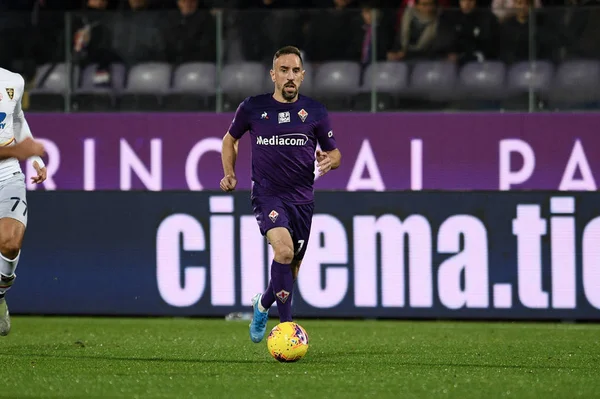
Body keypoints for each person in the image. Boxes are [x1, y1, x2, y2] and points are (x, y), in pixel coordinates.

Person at [220, 45, 341, 343]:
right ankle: (287, 330)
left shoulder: (315, 111)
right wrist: (230, 173)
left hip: (302, 200)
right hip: (267, 195)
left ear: (302, 75)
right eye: (284, 70)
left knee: (290, 270)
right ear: (273, 75)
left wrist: (333, 160)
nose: (290, 76)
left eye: (295, 71)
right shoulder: (252, 107)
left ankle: (262, 304)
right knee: (284, 252)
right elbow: (229, 140)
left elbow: (334, 152)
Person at [0, 67, 47, 336]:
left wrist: (34, 157)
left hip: (7, 173)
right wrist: (19, 150)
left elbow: (17, 118)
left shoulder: (13, 80)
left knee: (10, 242)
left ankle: (0, 294)